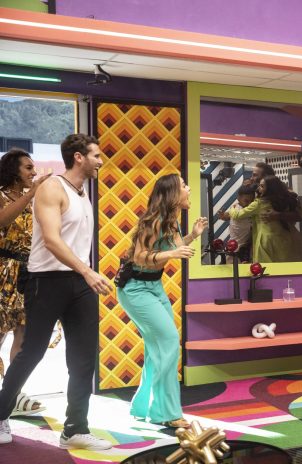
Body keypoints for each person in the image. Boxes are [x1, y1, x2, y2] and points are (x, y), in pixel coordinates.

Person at [0, 134, 113, 449]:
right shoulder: (52, 188)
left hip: (79, 283)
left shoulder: (82, 193)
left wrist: (84, 274)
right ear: (78, 157)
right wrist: (87, 271)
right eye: (96, 156)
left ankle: (75, 428)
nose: (100, 161)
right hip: (46, 281)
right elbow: (51, 240)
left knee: (83, 358)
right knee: (31, 352)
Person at [117, 173, 207, 429]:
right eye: (184, 185)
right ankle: (166, 413)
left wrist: (193, 236)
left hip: (153, 286)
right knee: (168, 342)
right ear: (172, 194)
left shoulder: (172, 221)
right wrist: (173, 253)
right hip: (135, 289)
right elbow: (140, 256)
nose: (189, 189)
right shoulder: (153, 220)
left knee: (156, 348)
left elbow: (173, 249)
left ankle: (143, 407)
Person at [0, 149, 51, 417]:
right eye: (28, 168)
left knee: (23, 333)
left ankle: (13, 394)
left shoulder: (34, 199)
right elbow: (2, 220)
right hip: (3, 271)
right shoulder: (2, 195)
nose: (34, 172)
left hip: (28, 272)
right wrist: (31, 194)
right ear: (13, 170)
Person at [229, 176, 302, 262]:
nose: (258, 189)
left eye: (262, 186)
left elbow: (237, 215)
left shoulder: (259, 204)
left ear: (270, 189)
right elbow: (300, 214)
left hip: (268, 240)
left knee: (268, 267)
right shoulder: (285, 200)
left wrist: (232, 208)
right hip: (289, 238)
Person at [217, 184, 256, 262]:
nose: (249, 204)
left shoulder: (249, 209)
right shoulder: (236, 208)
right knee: (232, 264)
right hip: (234, 245)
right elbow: (227, 216)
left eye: (251, 201)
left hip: (246, 245)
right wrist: (222, 216)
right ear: (238, 198)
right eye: (246, 201)